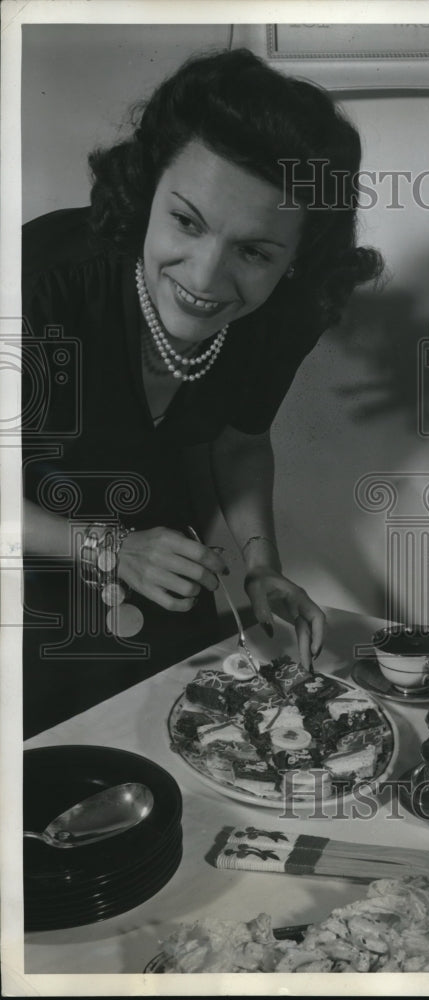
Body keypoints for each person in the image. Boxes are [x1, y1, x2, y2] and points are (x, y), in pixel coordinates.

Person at [21, 48, 383, 737]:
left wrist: (260, 568)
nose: (208, 278)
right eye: (187, 222)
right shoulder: (42, 286)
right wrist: (110, 547)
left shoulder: (285, 313)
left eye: (254, 252)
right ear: (148, 185)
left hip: (156, 585)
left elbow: (240, 444)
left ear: (296, 256)